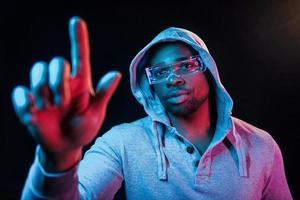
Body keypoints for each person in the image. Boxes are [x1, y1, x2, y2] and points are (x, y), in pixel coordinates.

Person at [12, 17, 292, 200]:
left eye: (186, 65)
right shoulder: (123, 142)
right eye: (159, 72)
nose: (173, 78)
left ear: (208, 70)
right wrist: (58, 160)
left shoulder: (261, 145)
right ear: (149, 85)